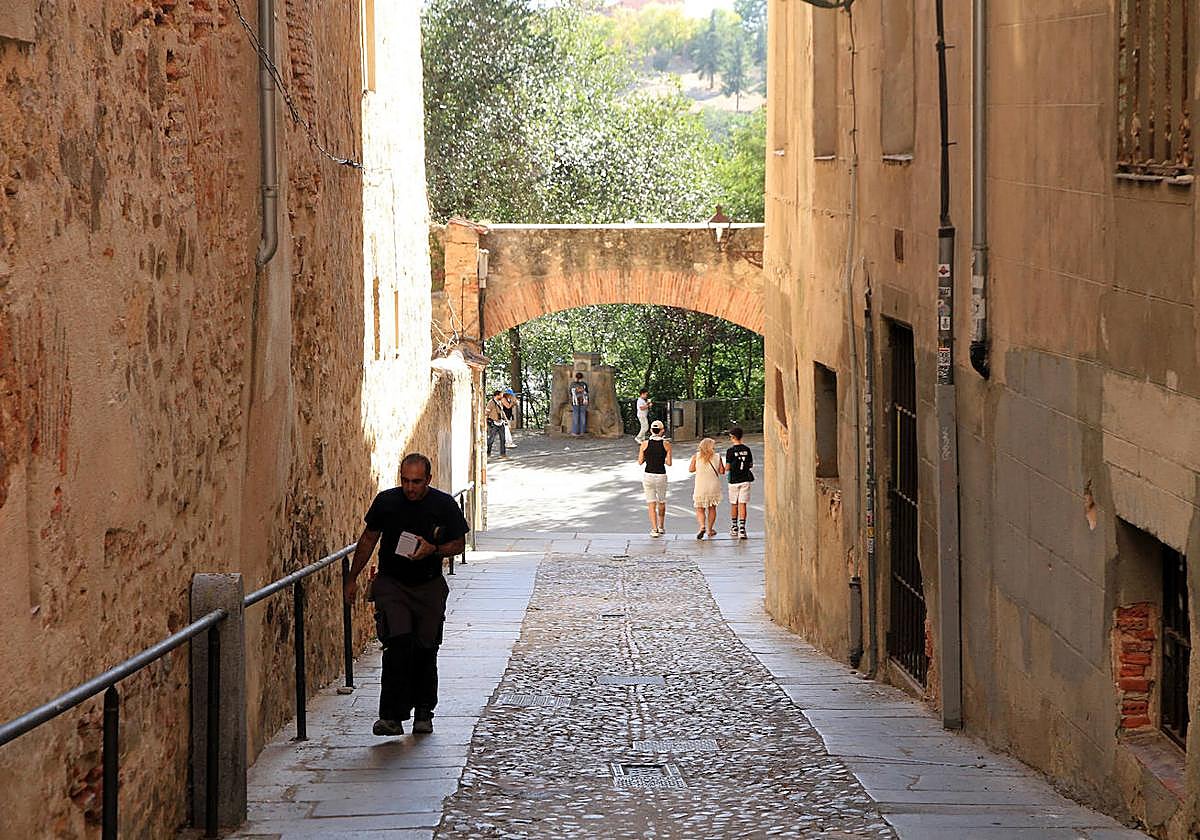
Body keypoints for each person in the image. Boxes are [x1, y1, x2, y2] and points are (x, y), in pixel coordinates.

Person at [343, 453, 469, 736]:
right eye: (405, 481)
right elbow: (368, 539)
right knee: (397, 644)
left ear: (428, 479)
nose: (410, 487)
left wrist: (434, 550)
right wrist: (352, 578)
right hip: (392, 584)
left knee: (426, 648)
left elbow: (459, 543)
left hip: (428, 586)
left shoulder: (443, 504)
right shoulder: (386, 502)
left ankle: (424, 712)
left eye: (416, 481)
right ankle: (391, 716)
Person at [637, 419, 672, 537]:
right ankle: (661, 526)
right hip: (661, 474)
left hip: (648, 474)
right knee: (661, 501)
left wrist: (648, 457)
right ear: (662, 431)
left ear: (651, 430)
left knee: (651, 503)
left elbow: (640, 461)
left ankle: (654, 529)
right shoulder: (666, 444)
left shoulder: (644, 444)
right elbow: (669, 463)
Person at [689, 437, 725, 539]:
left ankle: (702, 526)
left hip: (701, 486)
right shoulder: (717, 456)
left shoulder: (696, 456)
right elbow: (722, 471)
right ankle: (710, 529)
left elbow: (691, 469)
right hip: (713, 486)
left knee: (699, 508)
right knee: (712, 508)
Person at [725, 426, 755, 540]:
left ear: (733, 437)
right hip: (745, 479)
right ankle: (742, 528)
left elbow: (727, 467)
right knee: (743, 504)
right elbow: (750, 464)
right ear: (741, 436)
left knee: (734, 503)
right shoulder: (747, 449)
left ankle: (734, 527)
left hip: (733, 480)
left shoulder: (730, 451)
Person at [485, 390, 508, 459]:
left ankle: (503, 454)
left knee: (503, 439)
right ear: (497, 395)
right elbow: (486, 413)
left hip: (501, 423)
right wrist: (485, 423)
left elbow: (502, 412)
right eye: (501, 395)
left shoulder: (500, 402)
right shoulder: (491, 402)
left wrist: (506, 420)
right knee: (491, 440)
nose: (502, 396)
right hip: (493, 423)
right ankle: (487, 453)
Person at [569, 372, 589, 436]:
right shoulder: (584, 384)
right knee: (582, 417)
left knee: (576, 416)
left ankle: (575, 432)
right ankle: (582, 432)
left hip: (575, 402)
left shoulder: (572, 384)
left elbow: (570, 393)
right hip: (583, 402)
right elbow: (586, 392)